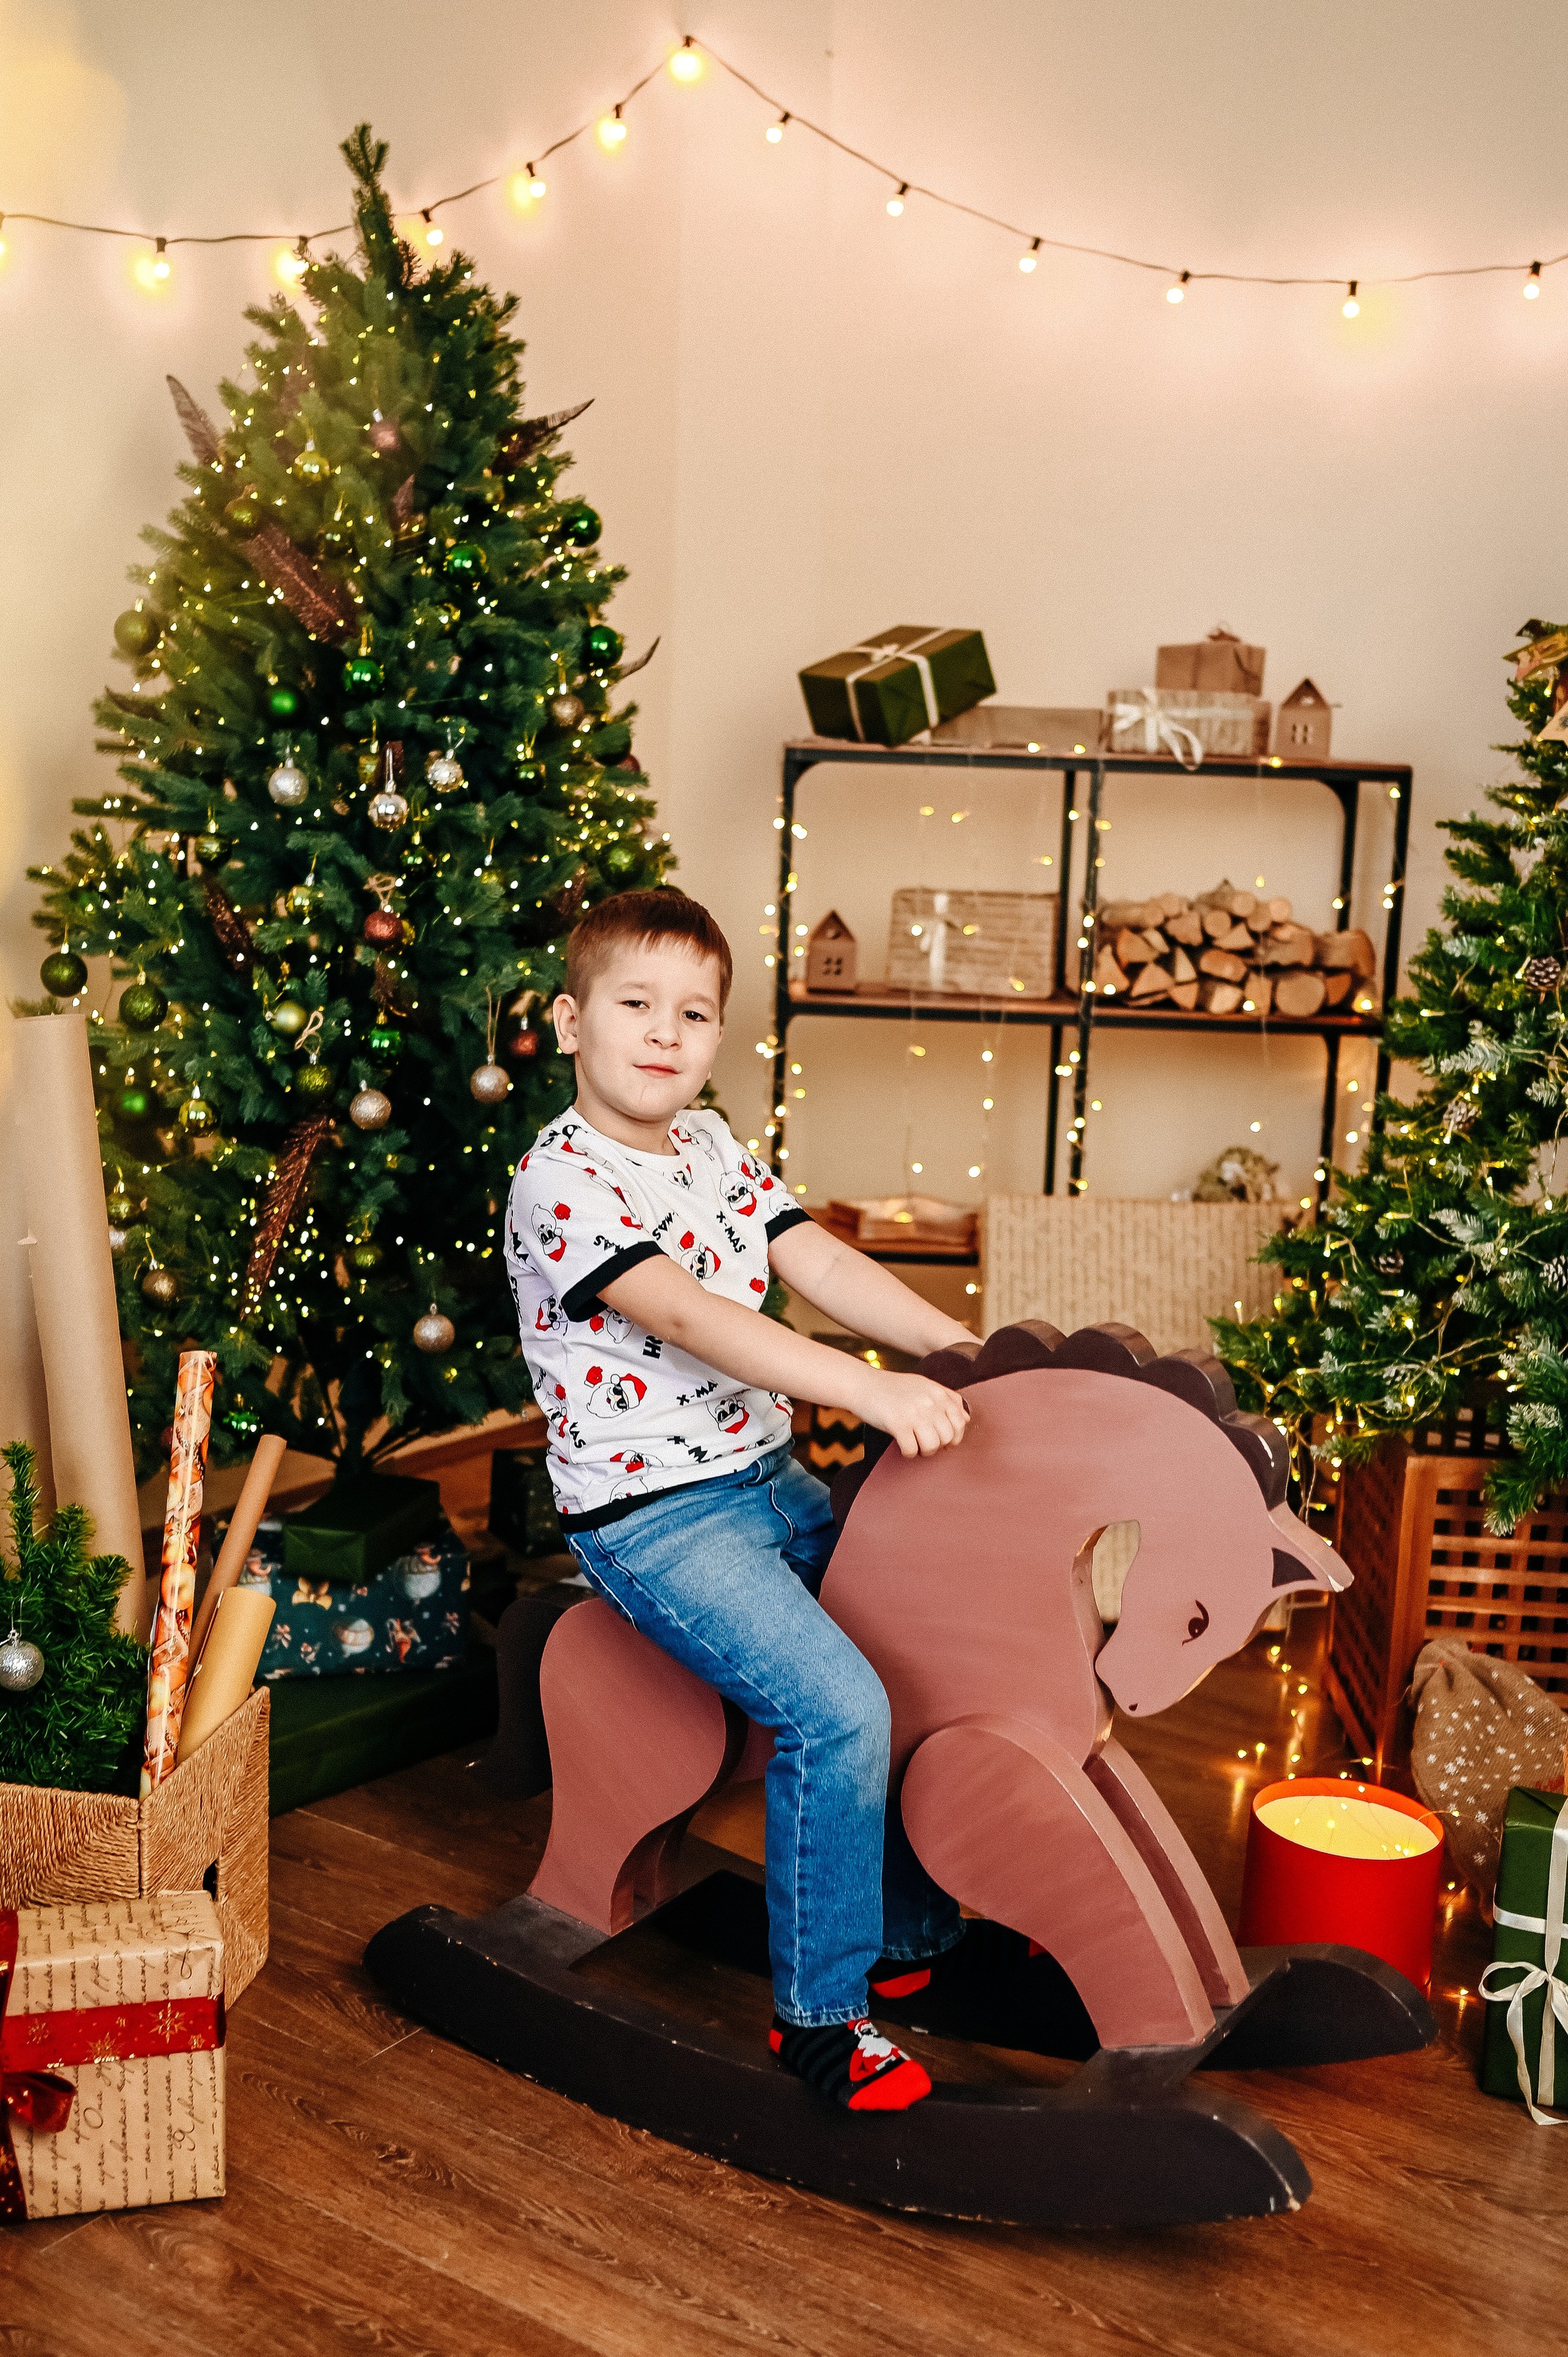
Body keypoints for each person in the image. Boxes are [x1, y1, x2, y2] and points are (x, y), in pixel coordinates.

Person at [504, 888, 978, 2113]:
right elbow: (690, 1315)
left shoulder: (711, 1145)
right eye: (635, 1004)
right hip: (654, 1516)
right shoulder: (560, 1181)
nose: (665, 1032)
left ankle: (906, 1935)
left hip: (766, 1475)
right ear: (571, 1021)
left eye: (694, 1012)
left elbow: (817, 1258)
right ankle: (818, 2018)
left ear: (718, 1034)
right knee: (836, 1709)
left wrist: (959, 1349)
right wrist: (868, 1389)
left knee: (914, 1655)